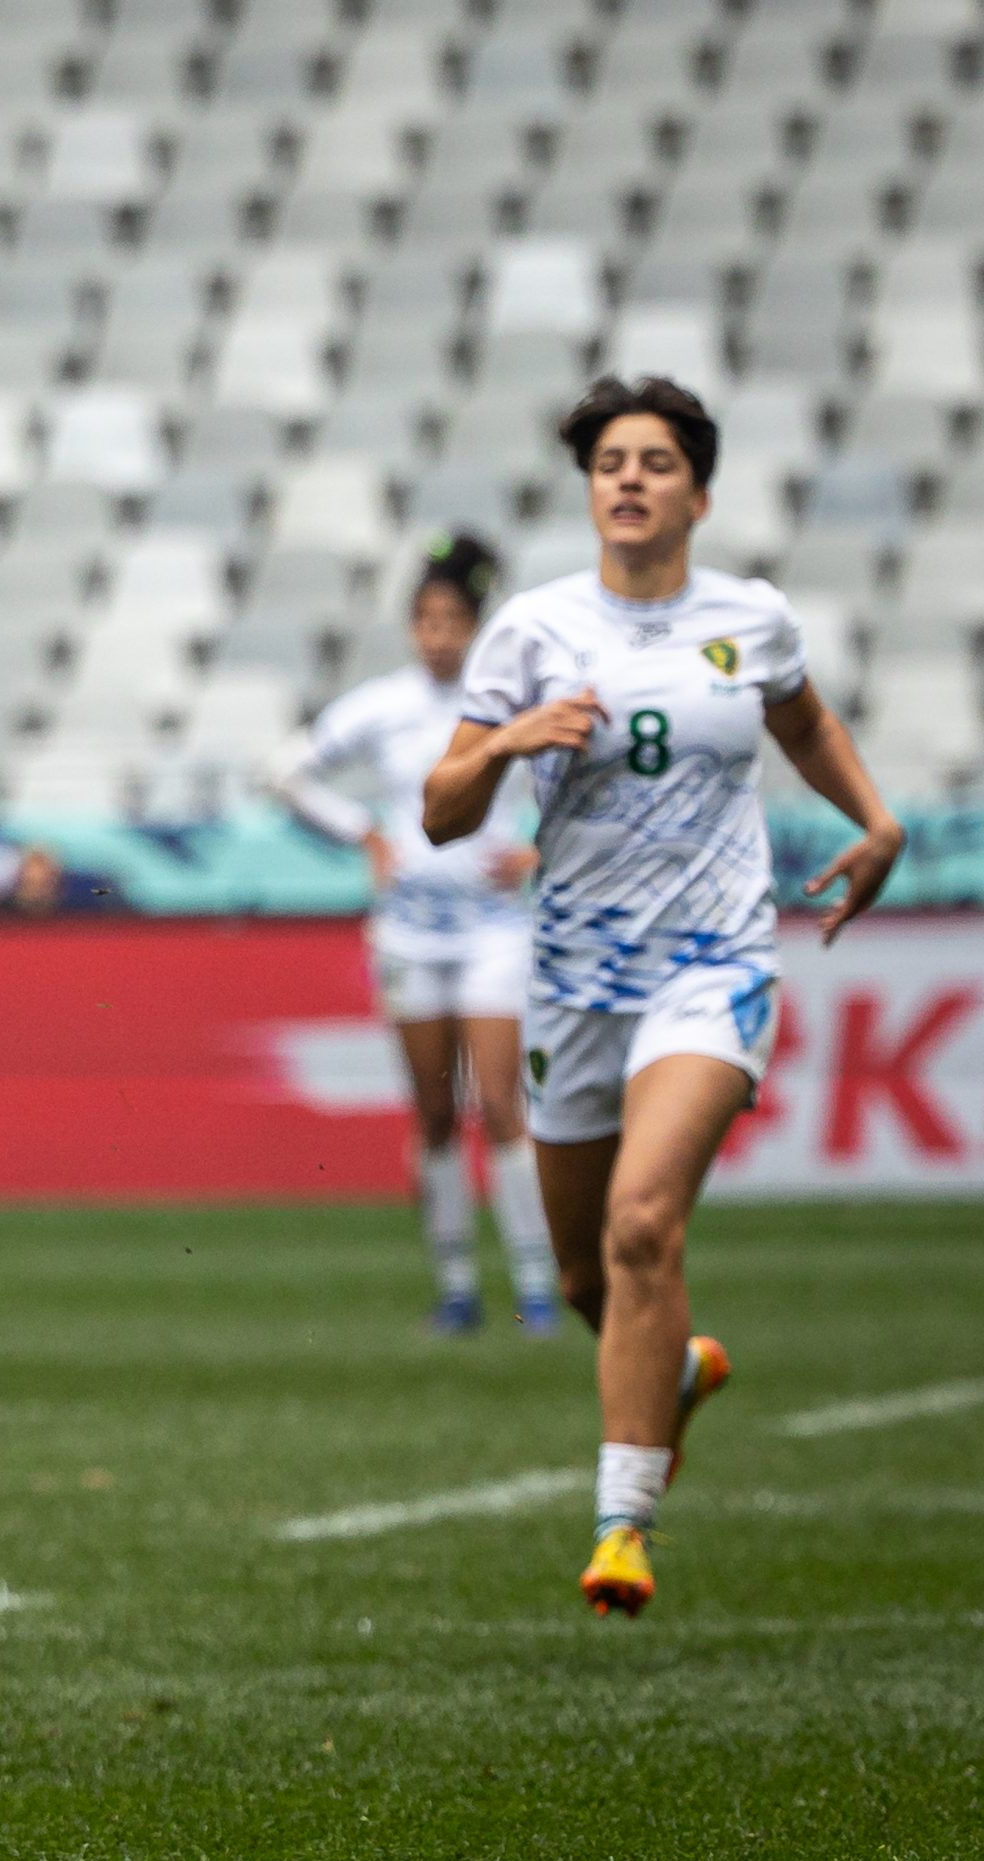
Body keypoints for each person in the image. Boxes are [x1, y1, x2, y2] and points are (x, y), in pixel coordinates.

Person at [422, 377, 903, 1618]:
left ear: (696, 490)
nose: (627, 479)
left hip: (714, 961)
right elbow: (441, 808)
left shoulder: (749, 617)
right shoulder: (532, 629)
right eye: (608, 463)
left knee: (645, 1224)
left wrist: (875, 820)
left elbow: (804, 721)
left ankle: (621, 1524)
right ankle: (675, 1368)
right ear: (590, 491)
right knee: (592, 1277)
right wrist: (505, 741)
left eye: (652, 462)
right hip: (576, 979)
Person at [275, 533, 560, 1337]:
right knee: (434, 1114)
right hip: (409, 931)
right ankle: (459, 1286)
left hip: (494, 927)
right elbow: (286, 771)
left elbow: (576, 780)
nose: (439, 637)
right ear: (411, 626)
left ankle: (535, 1284)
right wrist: (363, 833)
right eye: (426, 621)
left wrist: (541, 845)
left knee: (500, 1103)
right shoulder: (383, 704)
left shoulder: (507, 701)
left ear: (476, 627)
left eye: (453, 622)